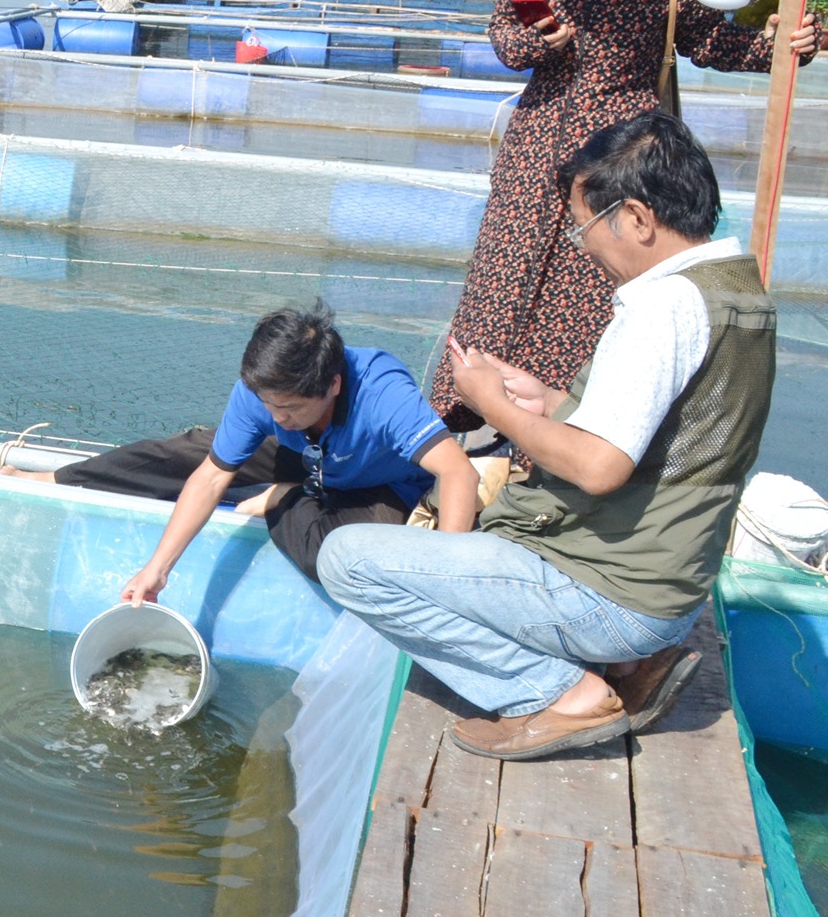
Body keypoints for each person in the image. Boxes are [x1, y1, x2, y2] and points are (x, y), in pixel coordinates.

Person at [318, 113, 774, 760]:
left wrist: (489, 406)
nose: (583, 246)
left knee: (348, 560)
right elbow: (669, 438)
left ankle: (561, 693)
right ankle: (625, 669)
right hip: (667, 594)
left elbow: (599, 468)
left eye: (586, 225)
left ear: (639, 220)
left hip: (614, 600)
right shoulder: (738, 291)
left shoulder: (661, 308)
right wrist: (548, 401)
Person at [425, 0, 815, 435]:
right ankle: (470, 412)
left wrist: (781, 45)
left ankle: (572, 428)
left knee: (595, 288)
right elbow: (503, 37)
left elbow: (710, 42)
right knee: (503, 278)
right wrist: (537, 43)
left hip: (624, 153)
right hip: (539, 144)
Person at [6, 304, 479, 588]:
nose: (276, 416)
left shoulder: (382, 392)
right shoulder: (264, 393)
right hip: (308, 457)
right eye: (267, 403)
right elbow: (211, 477)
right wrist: (157, 569)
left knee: (330, 557)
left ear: (332, 385)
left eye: (290, 406)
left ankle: (286, 496)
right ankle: (55, 479)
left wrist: (447, 580)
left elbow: (460, 473)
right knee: (189, 453)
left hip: (381, 483)